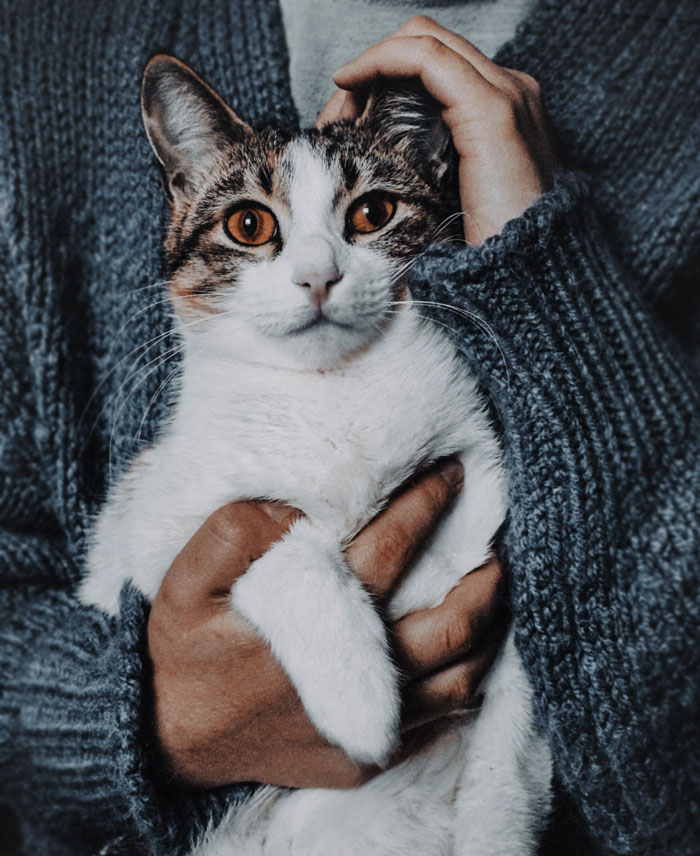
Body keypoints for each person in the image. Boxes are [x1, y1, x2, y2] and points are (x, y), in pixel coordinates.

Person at [1, 1, 698, 855]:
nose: (318, 271)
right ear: (183, 196)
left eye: (365, 217)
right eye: (253, 227)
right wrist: (153, 723)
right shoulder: (37, 49)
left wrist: (550, 276)